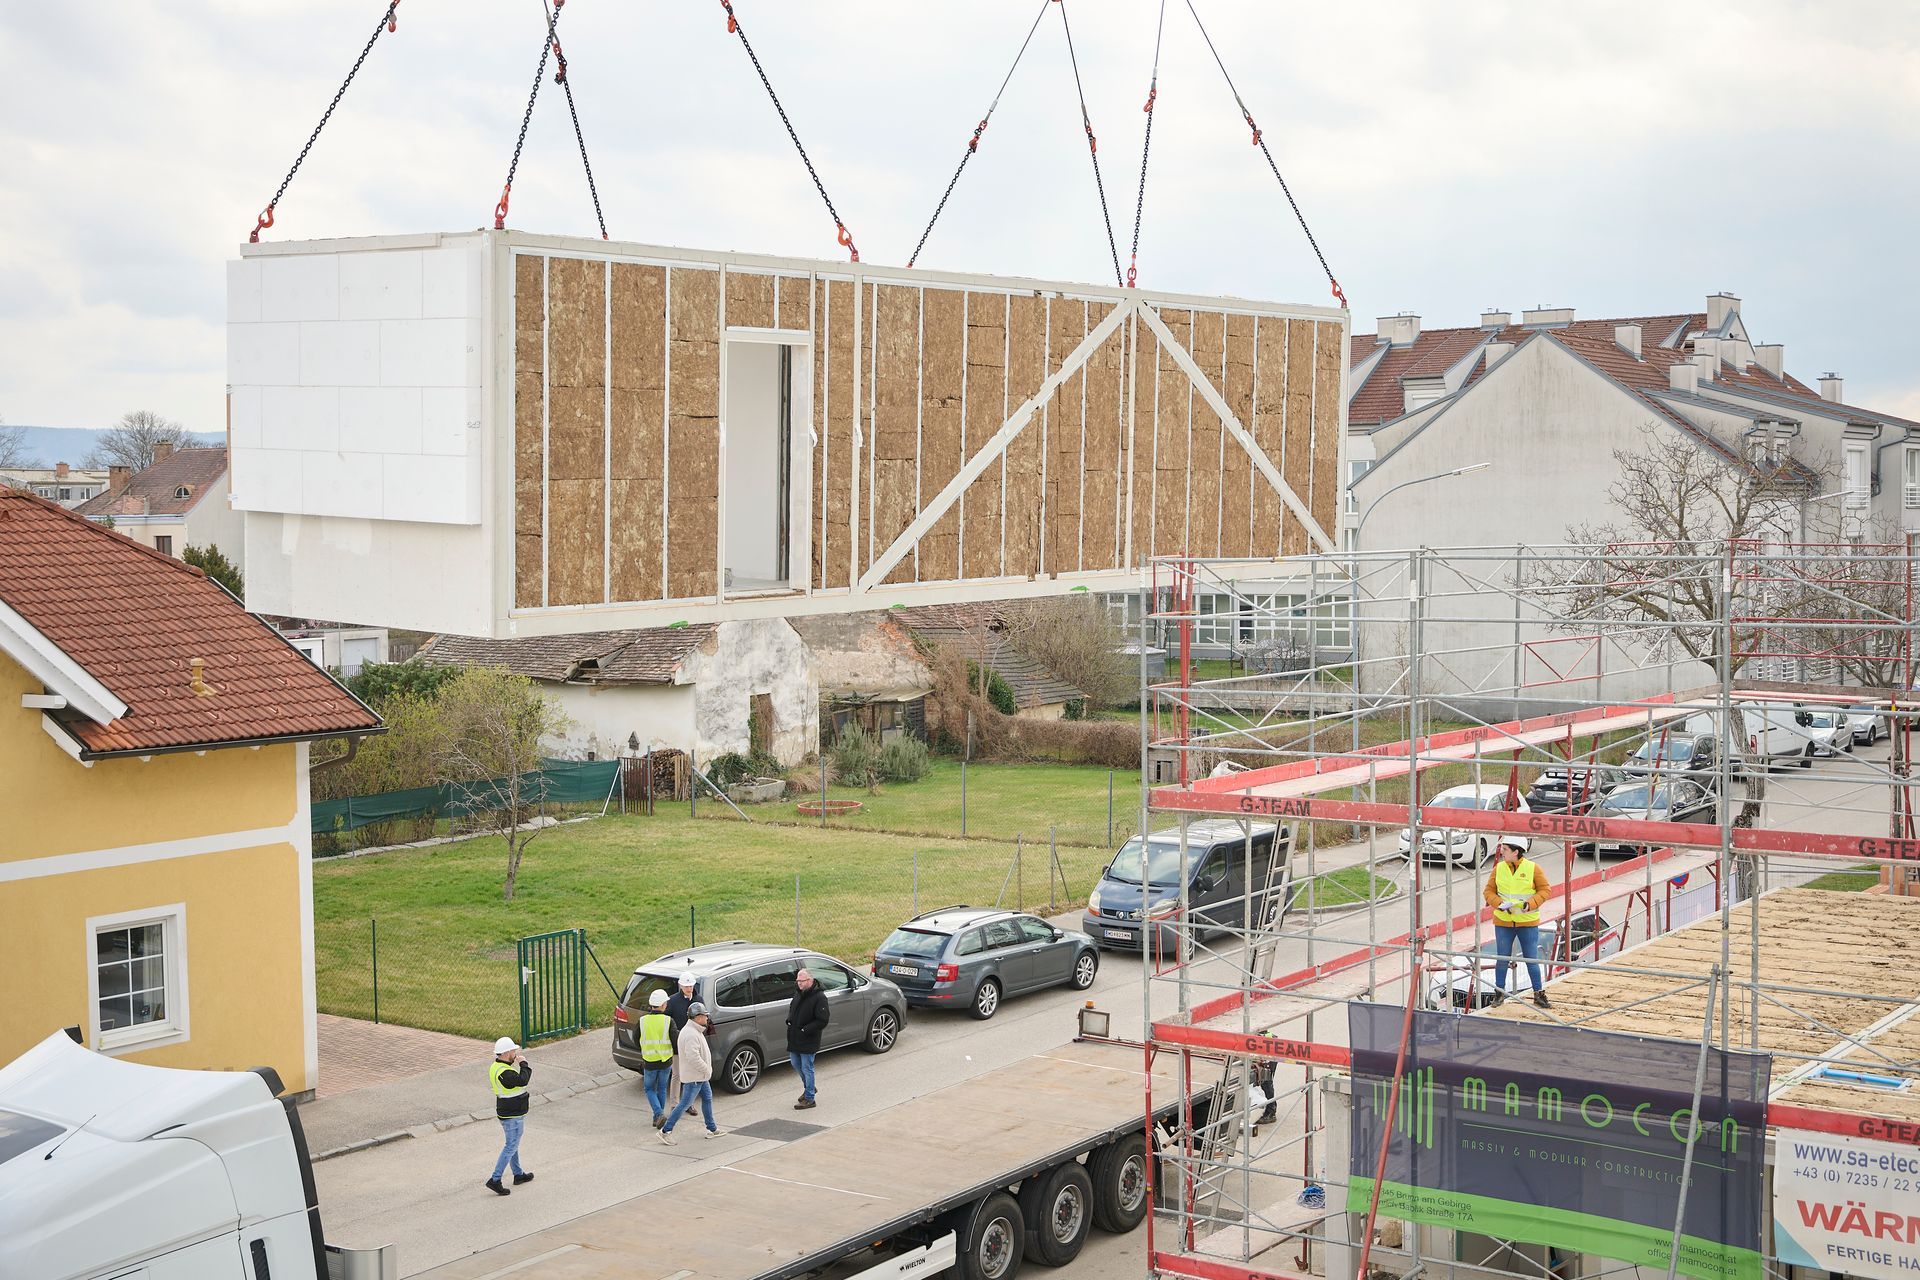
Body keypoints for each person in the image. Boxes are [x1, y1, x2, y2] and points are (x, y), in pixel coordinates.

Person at [1483, 835, 1552, 1008]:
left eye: (1505, 849)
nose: (1502, 853)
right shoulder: (1499, 868)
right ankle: (1499, 994)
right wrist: (1498, 904)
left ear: (1516, 851)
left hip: (1527, 921)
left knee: (1531, 959)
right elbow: (1489, 891)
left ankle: (1539, 994)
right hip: (1504, 921)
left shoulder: (1533, 869)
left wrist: (1530, 904)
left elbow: (1545, 890)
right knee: (1502, 958)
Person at [659, 1002, 723, 1144]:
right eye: (705, 1015)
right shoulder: (691, 1034)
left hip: (699, 1076)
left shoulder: (694, 1030)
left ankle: (712, 1129)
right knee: (684, 1104)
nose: (707, 1018)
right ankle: (665, 1131)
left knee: (707, 1097)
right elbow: (693, 1057)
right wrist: (706, 1069)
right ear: (697, 1017)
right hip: (695, 1076)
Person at [485, 1037, 535, 1195]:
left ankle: (518, 1174)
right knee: (511, 1146)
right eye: (513, 1051)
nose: (515, 1054)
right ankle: (495, 1179)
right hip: (512, 1114)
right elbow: (522, 1080)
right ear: (506, 1053)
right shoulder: (505, 1072)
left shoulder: (497, 1066)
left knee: (513, 1144)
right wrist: (523, 1063)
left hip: (508, 1111)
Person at [785, 966, 830, 1110]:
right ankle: (810, 1087)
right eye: (797, 981)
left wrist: (805, 1030)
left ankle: (810, 1098)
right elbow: (793, 1009)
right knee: (795, 1063)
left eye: (802, 981)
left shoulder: (819, 997)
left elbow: (822, 1020)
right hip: (795, 1038)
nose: (799, 983)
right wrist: (789, 1020)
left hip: (808, 1039)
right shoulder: (798, 993)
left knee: (807, 1067)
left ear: (810, 980)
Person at [637, 988, 675, 1129]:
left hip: (650, 1061)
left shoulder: (642, 1021)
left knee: (649, 1089)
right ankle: (658, 1116)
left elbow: (636, 1039)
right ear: (663, 1004)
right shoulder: (668, 1021)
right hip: (666, 1061)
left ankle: (658, 1115)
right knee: (662, 1088)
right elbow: (675, 1040)